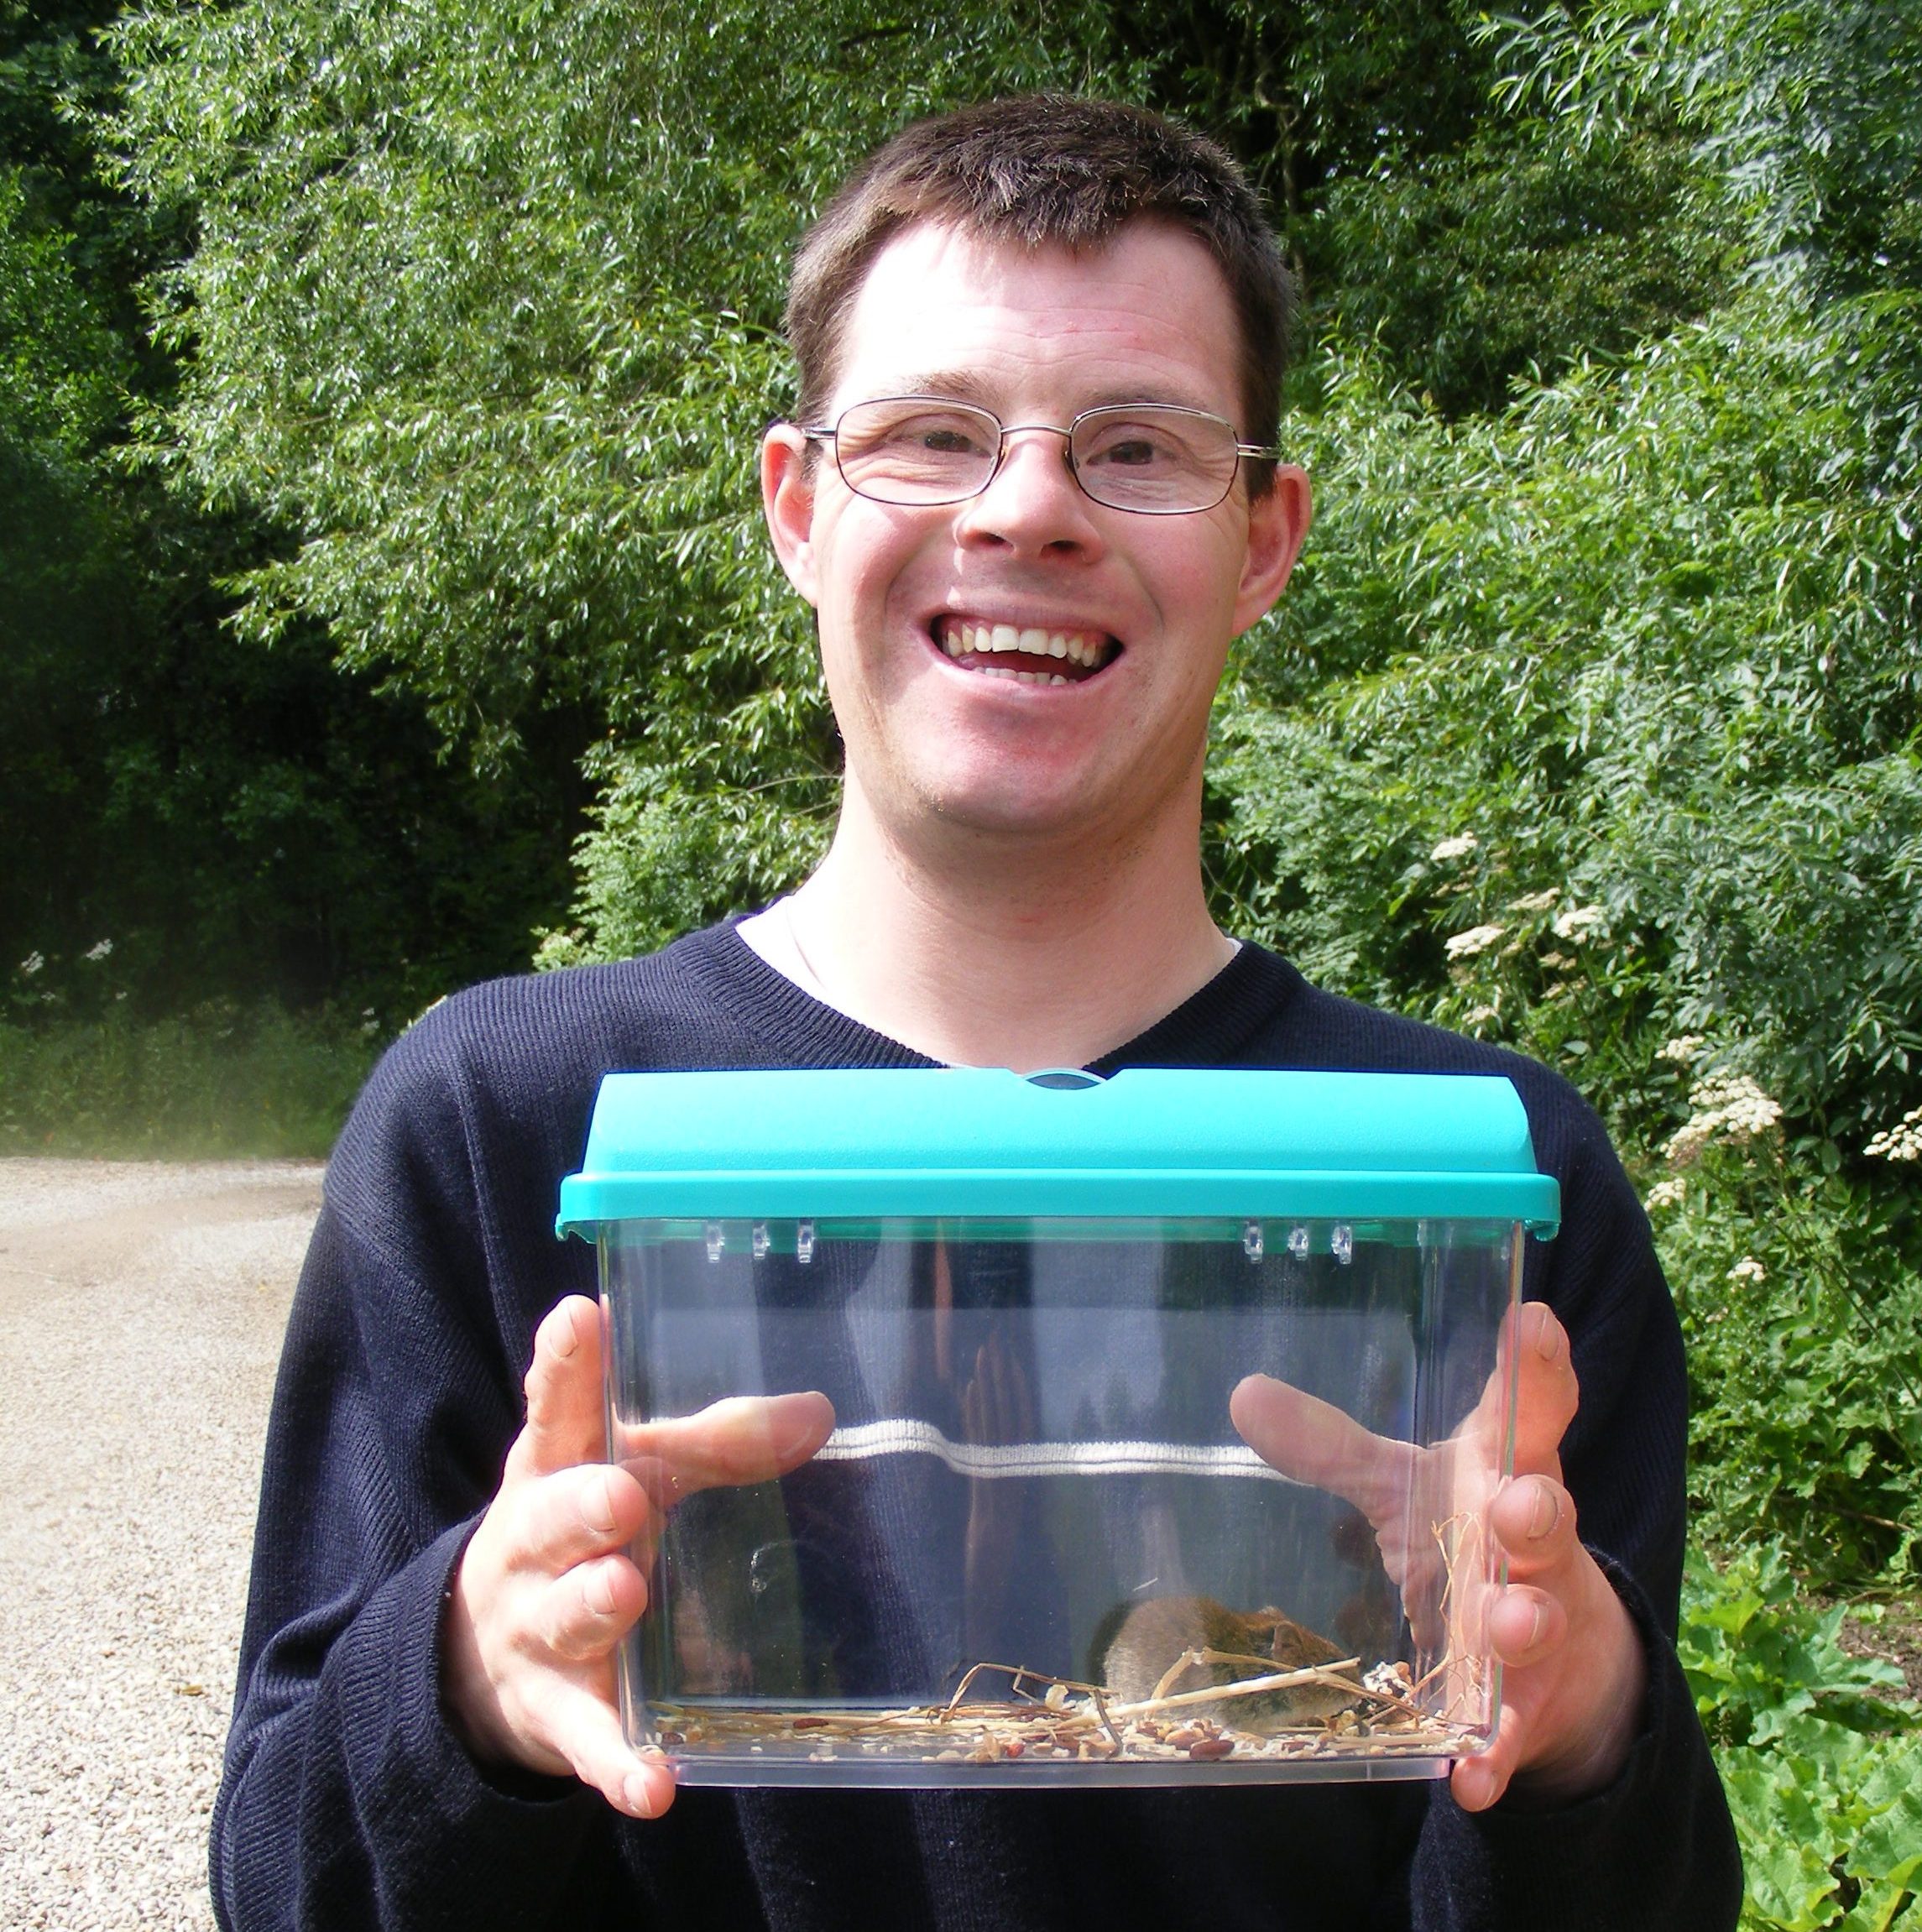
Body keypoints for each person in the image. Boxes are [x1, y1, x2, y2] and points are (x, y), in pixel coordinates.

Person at [212, 96, 1742, 1930]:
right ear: (793, 506)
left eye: (1136, 447)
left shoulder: (1493, 1192)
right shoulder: (501, 1119)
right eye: (931, 435)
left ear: (1264, 539)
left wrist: (1576, 1728)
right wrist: (464, 1666)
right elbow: (282, 1882)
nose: (1025, 507)